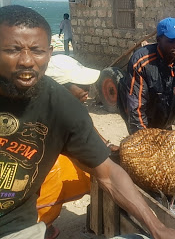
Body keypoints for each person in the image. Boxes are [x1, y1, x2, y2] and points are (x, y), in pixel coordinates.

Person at [0, 5, 175, 239]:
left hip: (15, 228)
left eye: (36, 51)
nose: (26, 61)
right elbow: (135, 102)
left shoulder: (62, 106)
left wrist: (157, 227)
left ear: (49, 53)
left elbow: (107, 173)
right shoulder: (142, 60)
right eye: (12, 50)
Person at [39, 54, 117, 239]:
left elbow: (87, 129)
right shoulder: (41, 112)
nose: (87, 90)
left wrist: (107, 145)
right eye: (80, 85)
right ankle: (38, 224)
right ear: (58, 88)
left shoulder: (74, 108)